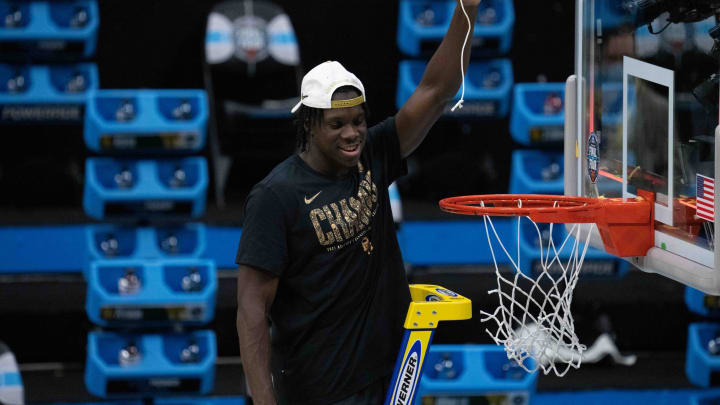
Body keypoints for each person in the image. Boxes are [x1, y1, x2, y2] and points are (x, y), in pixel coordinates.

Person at [235, 1, 482, 404]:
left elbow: (437, 91)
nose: (352, 134)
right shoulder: (274, 196)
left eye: (358, 121)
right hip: (319, 391)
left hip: (388, 377)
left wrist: (466, 10)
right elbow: (250, 313)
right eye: (337, 124)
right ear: (309, 124)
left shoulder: (375, 154)